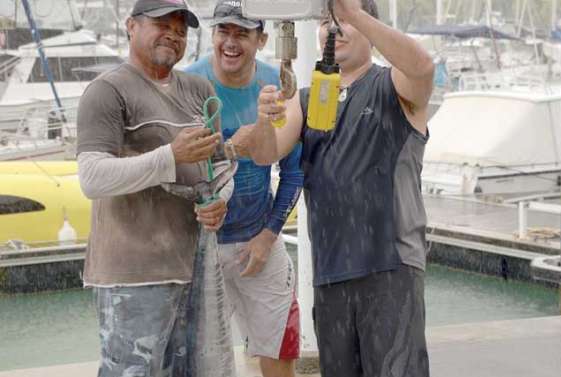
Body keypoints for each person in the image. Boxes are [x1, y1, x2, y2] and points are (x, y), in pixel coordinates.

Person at [249, 0, 435, 376]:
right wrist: (264, 120)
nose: (334, 28)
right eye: (325, 21)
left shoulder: (393, 85)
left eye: (343, 20)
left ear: (368, 27)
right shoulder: (305, 98)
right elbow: (265, 153)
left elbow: (423, 67)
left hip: (390, 270)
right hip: (331, 275)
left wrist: (355, 14)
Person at [76, 0, 235, 375]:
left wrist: (219, 200)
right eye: (162, 23)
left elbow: (222, 166)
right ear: (131, 26)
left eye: (181, 29)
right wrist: (170, 156)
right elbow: (92, 177)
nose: (174, 35)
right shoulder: (107, 91)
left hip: (194, 270)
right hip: (134, 275)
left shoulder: (199, 89)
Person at [184, 2, 304, 377]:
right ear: (213, 35)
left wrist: (268, 237)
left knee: (282, 350)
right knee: (197, 361)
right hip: (201, 247)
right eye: (223, 31)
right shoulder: (189, 84)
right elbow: (180, 167)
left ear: (261, 39)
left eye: (241, 33)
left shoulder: (278, 86)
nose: (230, 42)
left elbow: (294, 171)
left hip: (259, 239)